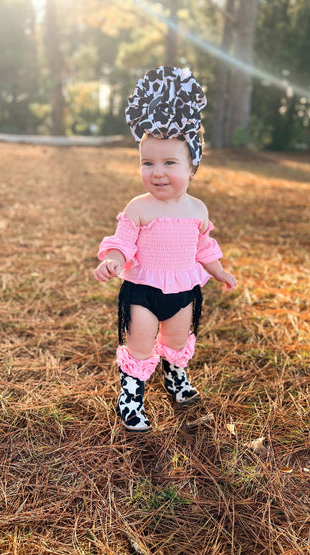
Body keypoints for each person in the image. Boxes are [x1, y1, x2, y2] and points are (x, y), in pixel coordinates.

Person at [94, 67, 236, 432]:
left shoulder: (197, 210)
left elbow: (204, 246)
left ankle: (175, 375)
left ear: (192, 167)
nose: (157, 172)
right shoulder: (139, 207)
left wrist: (218, 270)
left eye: (169, 163)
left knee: (175, 339)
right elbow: (122, 241)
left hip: (183, 292)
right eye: (148, 162)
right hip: (142, 289)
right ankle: (131, 396)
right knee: (141, 342)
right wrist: (113, 259)